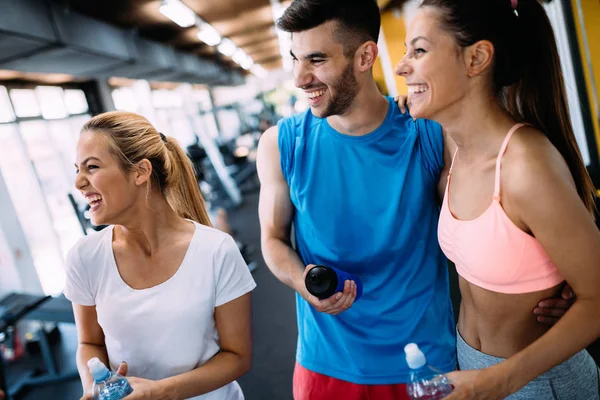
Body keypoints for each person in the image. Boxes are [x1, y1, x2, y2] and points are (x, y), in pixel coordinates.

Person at [256, 0, 573, 398]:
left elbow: (504, 202)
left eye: (316, 60)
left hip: (426, 363)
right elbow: (271, 238)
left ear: (365, 56)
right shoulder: (281, 145)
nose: (300, 78)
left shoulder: (428, 134)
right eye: (295, 59)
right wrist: (300, 280)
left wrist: (567, 283)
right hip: (326, 365)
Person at [395, 0, 600, 398]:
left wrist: (498, 381)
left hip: (537, 383)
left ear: (477, 58)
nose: (402, 66)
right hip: (473, 367)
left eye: (418, 51)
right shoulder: (457, 150)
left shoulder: (525, 167)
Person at [65, 111, 255, 400]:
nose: (79, 182)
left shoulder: (217, 250)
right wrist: (94, 385)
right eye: (77, 169)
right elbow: (89, 343)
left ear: (140, 171)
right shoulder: (84, 257)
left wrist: (160, 392)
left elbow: (237, 356)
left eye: (91, 167)